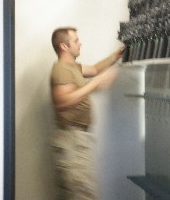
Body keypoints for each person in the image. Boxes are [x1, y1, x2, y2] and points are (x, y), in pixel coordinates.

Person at [50, 27, 124, 199]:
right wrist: (95, 84)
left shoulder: (72, 67)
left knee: (81, 193)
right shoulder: (61, 69)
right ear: (64, 47)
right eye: (75, 41)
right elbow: (62, 102)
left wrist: (116, 56)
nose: (80, 43)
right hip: (72, 140)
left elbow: (95, 69)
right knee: (83, 194)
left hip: (77, 139)